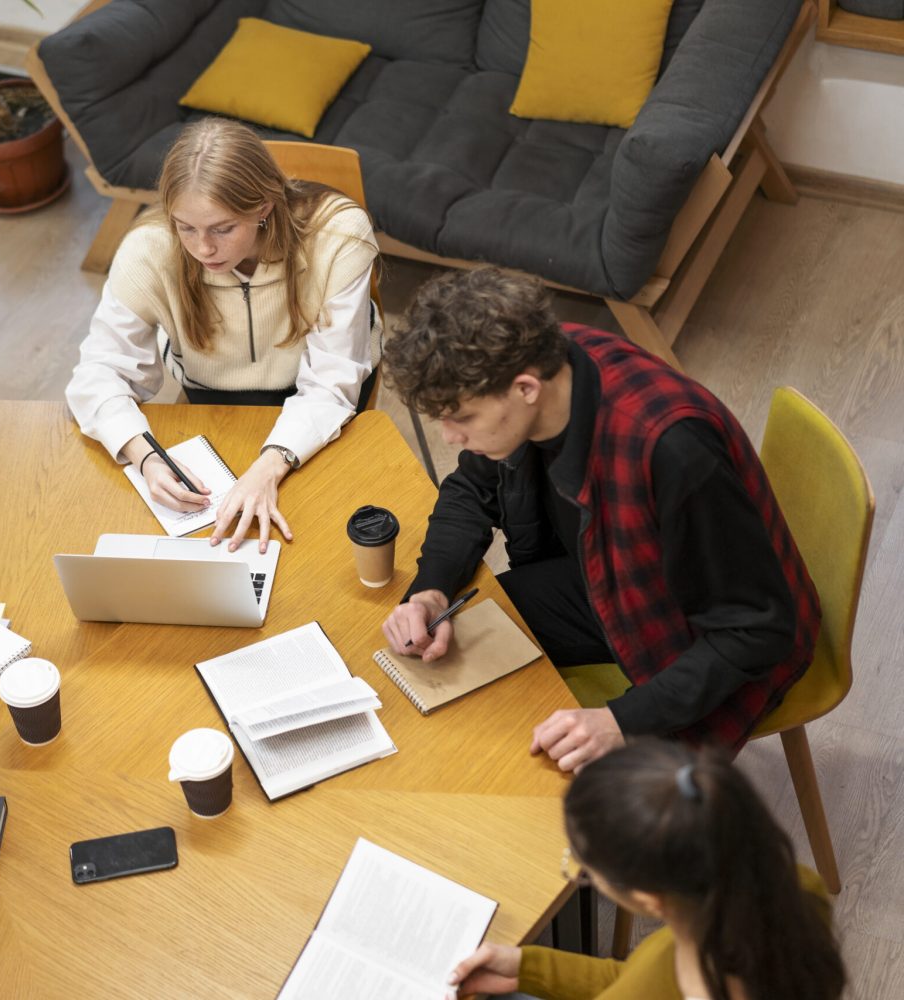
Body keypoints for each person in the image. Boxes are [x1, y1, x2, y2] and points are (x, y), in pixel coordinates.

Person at [380, 267, 820, 769]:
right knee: (455, 654)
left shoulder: (672, 449)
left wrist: (620, 720)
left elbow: (758, 631)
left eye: (461, 418)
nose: (450, 436)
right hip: (606, 575)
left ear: (525, 388)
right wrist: (432, 590)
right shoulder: (545, 365)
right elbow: (470, 489)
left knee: (576, 793)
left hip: (704, 632)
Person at [66, 118, 381, 552]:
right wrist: (145, 456)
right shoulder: (148, 248)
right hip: (210, 399)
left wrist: (269, 467)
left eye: (222, 228)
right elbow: (98, 373)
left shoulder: (338, 235)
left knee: (316, 542)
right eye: (185, 227)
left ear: (264, 206)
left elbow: (332, 382)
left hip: (325, 406)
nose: (202, 249)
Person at [449, 739, 846, 1000]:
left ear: (647, 899)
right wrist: (527, 966)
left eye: (585, 868)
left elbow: (638, 988)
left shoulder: (660, 971)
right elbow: (637, 983)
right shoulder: (797, 890)